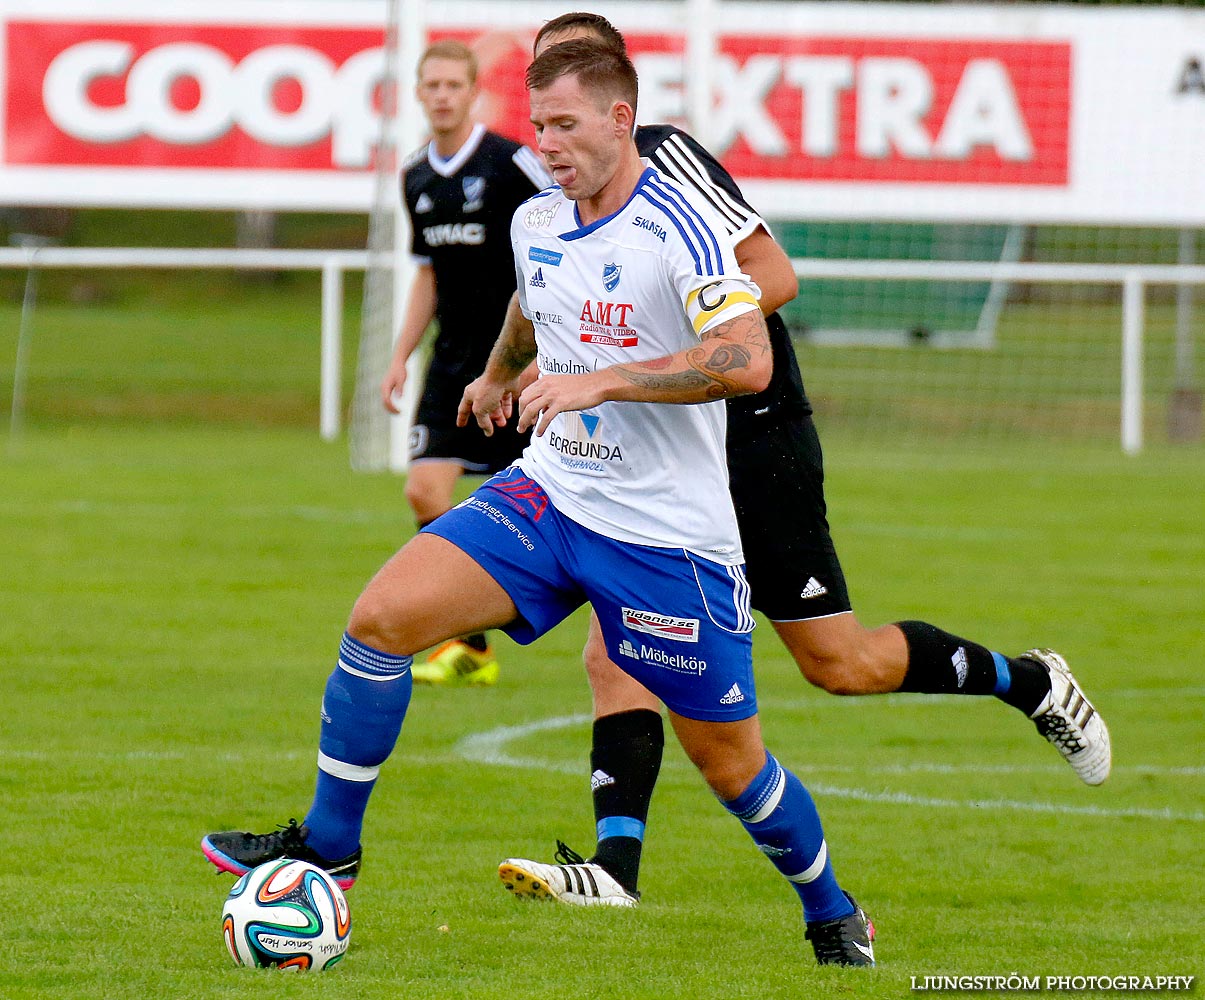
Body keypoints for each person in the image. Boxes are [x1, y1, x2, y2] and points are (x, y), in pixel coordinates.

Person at [203, 39, 876, 967]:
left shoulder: (679, 224)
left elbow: (746, 357)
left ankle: (831, 909)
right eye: (538, 126)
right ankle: (331, 848)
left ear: (619, 120)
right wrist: (493, 374)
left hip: (665, 539)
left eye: (564, 126)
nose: (547, 144)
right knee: (380, 620)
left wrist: (606, 380)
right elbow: (530, 300)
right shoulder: (537, 218)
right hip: (551, 494)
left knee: (730, 765)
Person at [494, 12, 1111, 910]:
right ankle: (613, 869)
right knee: (614, 645)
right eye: (537, 77)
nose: (546, 98)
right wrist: (517, 368)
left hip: (748, 431)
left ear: (612, 90)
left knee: (838, 663)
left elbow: (770, 279)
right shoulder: (557, 184)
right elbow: (551, 295)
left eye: (563, 72)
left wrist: (628, 365)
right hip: (647, 456)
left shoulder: (666, 160)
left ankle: (1028, 680)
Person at [381, 39, 551, 686]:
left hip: (517, 362)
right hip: (450, 364)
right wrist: (398, 357)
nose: (443, 95)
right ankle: (471, 643)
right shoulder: (415, 176)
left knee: (531, 504)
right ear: (419, 94)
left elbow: (566, 227)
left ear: (473, 91)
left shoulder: (511, 162)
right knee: (424, 490)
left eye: (454, 84)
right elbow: (426, 274)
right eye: (432, 86)